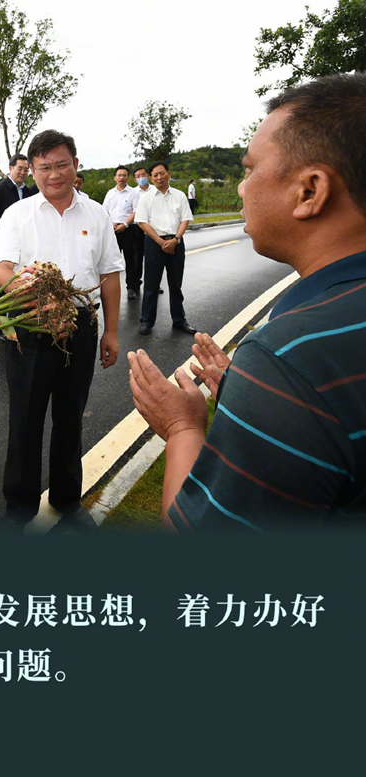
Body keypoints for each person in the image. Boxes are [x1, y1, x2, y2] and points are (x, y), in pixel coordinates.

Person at [128, 72, 366, 531]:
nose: (241, 187)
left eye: (250, 169)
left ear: (310, 191)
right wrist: (255, 401)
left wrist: (183, 428)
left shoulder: (290, 358)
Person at [0, 129, 123, 530]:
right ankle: (20, 506)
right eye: (44, 167)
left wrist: (111, 332)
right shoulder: (18, 214)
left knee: (71, 418)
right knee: (25, 421)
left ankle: (67, 499)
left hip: (81, 328)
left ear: (75, 165)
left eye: (62, 164)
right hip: (31, 327)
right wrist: (34, 295)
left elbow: (109, 275)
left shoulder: (96, 214)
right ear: (32, 170)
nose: (53, 174)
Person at [133, 161, 196, 335]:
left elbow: (185, 219)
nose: (159, 177)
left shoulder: (179, 196)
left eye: (162, 173)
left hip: (176, 243)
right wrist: (161, 243)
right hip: (154, 244)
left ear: (169, 174)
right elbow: (142, 223)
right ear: (150, 178)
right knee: (151, 285)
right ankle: (146, 321)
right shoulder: (146, 198)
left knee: (176, 284)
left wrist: (176, 239)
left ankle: (179, 320)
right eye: (155, 175)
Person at [103, 166, 138, 299]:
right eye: (119, 175)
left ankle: (131, 287)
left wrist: (125, 224)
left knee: (130, 260)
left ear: (128, 178)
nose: (121, 178)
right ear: (115, 178)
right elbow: (104, 210)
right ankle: (110, 288)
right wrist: (111, 223)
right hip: (112, 230)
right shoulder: (110, 193)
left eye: (124, 175)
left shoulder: (133, 193)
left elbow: (136, 211)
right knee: (111, 261)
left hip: (128, 229)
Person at [0, 153, 32, 234]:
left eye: (26, 170)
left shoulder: (27, 191)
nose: (23, 172)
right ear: (11, 168)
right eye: (20, 169)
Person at [127, 166, 153, 299]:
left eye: (143, 175)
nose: (141, 178)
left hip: (153, 226)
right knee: (137, 256)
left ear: (148, 175)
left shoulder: (155, 189)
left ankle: (153, 283)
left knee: (153, 256)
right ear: (134, 179)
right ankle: (136, 282)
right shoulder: (133, 192)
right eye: (138, 176)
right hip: (138, 227)